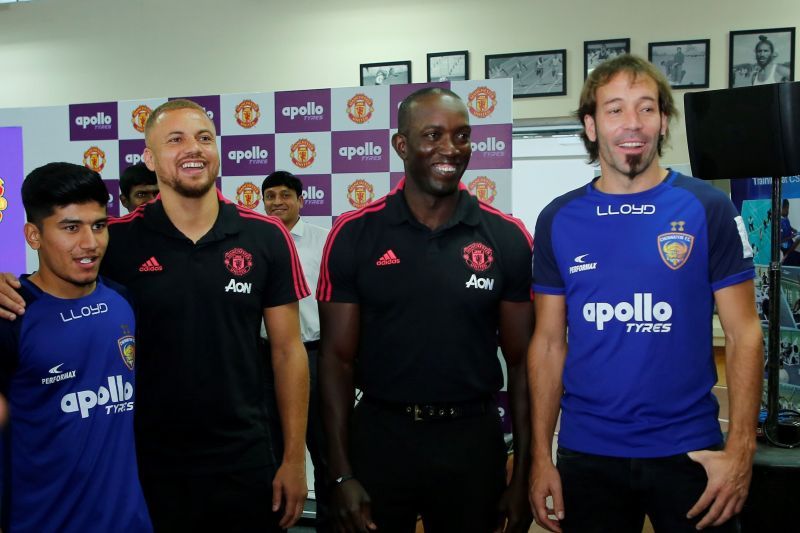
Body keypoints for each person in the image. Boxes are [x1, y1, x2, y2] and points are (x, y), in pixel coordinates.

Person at [0, 99, 310, 531]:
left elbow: (288, 351)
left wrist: (295, 459)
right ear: (149, 157)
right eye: (175, 139)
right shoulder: (117, 239)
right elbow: (53, 284)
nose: (193, 149)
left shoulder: (265, 235)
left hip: (247, 457)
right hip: (146, 465)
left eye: (204, 137)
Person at [528, 54, 763, 533]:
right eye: (615, 109)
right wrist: (539, 457)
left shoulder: (708, 208)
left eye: (646, 108)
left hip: (690, 451)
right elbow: (549, 344)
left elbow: (744, 334)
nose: (631, 123)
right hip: (588, 453)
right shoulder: (558, 218)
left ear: (663, 121)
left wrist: (740, 452)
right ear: (591, 126)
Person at [318, 87, 534, 533]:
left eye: (461, 136)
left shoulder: (506, 237)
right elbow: (336, 361)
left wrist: (525, 473)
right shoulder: (354, 234)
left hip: (472, 440)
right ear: (401, 145)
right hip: (381, 437)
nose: (450, 150)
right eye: (432, 135)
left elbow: (524, 364)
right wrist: (341, 473)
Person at [0, 162, 151, 532]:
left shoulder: (123, 300)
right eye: (70, 228)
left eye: (98, 226)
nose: (90, 243)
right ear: (33, 236)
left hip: (128, 522)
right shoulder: (12, 315)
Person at [261, 170, 331, 531]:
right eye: (270, 196)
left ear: (301, 200)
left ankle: (329, 523)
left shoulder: (322, 240)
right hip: (263, 358)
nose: (277, 203)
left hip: (314, 354)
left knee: (323, 446)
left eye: (285, 195)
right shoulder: (254, 241)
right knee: (270, 449)